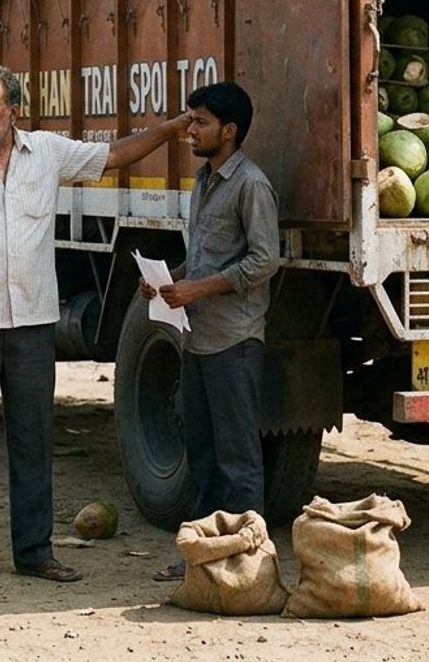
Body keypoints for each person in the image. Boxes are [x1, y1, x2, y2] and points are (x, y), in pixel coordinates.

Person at [0, 61, 190, 590]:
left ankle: (35, 551)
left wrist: (169, 131)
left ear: (14, 111)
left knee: (32, 440)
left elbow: (114, 156)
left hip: (33, 324)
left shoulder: (48, 154)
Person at [141, 82, 279, 582]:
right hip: (197, 341)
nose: (191, 130)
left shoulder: (251, 185)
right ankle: (202, 558)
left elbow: (264, 261)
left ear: (230, 130)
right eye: (191, 120)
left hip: (235, 341)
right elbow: (203, 257)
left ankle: (247, 567)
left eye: (200, 122)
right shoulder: (203, 181)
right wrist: (169, 281)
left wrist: (197, 291)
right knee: (202, 453)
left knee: (239, 459)